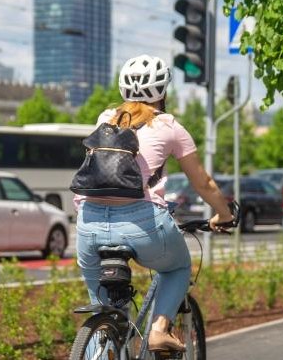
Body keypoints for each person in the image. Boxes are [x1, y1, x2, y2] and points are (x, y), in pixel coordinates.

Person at [74, 55, 234, 353]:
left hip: (89, 223)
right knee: (177, 267)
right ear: (163, 91)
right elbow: (203, 183)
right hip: (143, 223)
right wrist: (224, 215)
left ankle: (102, 341)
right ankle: (160, 329)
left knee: (103, 309)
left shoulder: (105, 119)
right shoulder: (169, 126)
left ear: (123, 89)